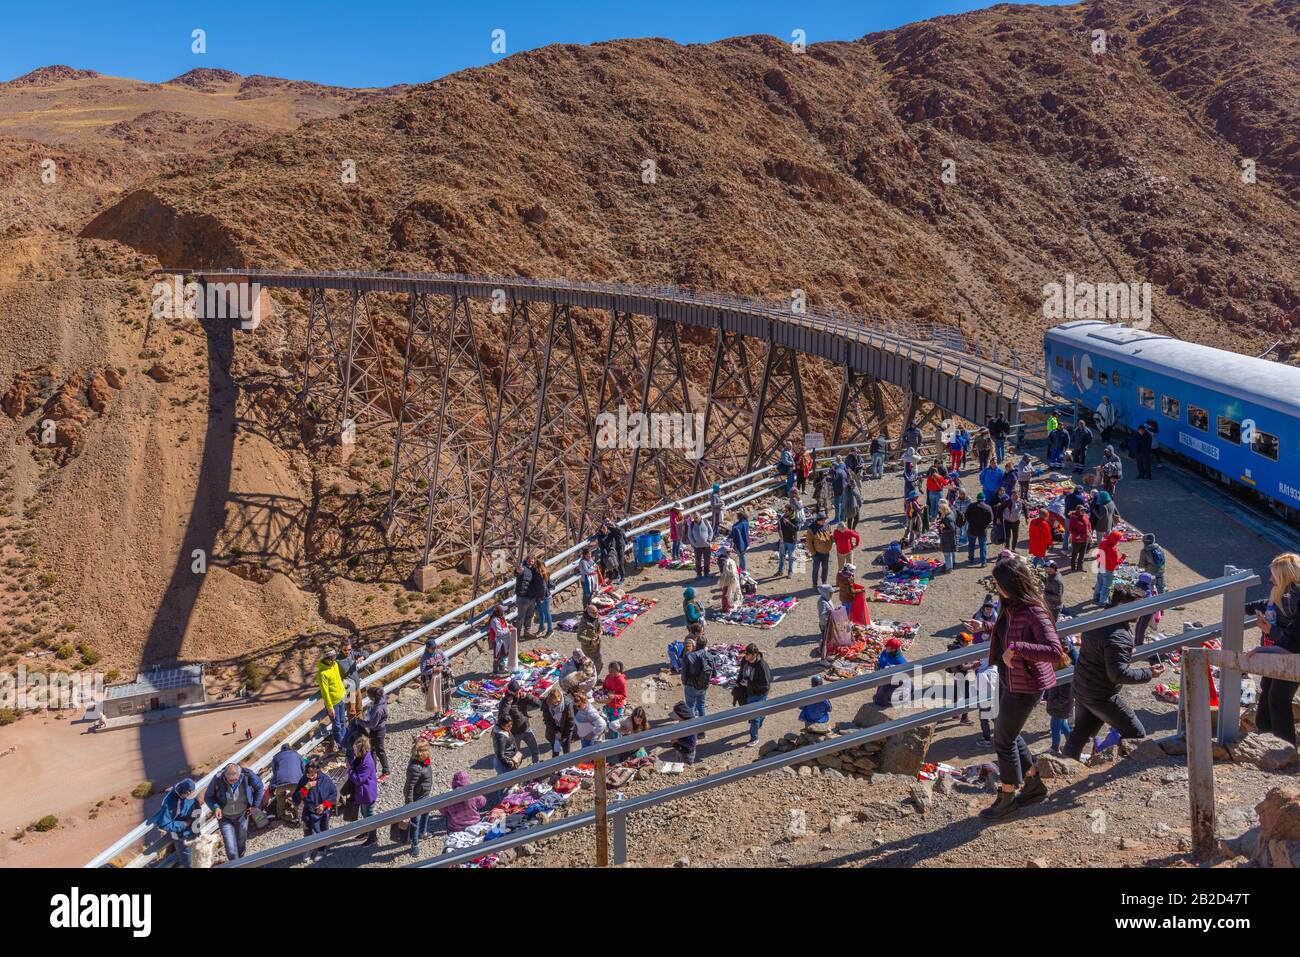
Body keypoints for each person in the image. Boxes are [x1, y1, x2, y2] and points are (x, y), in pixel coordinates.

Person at [967, 556, 1063, 820]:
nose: (995, 588)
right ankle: (1033, 785)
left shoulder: (1034, 611)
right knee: (1008, 733)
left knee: (1004, 739)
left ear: (1010, 584)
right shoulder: (1010, 606)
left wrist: (1018, 649)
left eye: (998, 583)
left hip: (1027, 684)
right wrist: (986, 626)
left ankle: (1007, 797)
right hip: (1011, 678)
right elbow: (1009, 633)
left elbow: (1055, 651)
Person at [1062, 585, 1164, 760]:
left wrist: (1122, 653)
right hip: (1102, 694)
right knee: (1135, 733)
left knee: (1080, 733)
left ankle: (1065, 768)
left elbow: (1102, 652)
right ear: (1121, 606)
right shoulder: (1119, 636)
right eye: (1136, 607)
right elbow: (1118, 674)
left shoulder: (1096, 619)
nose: (1140, 613)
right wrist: (1149, 673)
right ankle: (1119, 769)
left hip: (1082, 686)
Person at [1248, 553, 1300, 745]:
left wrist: (1271, 631)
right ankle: (1265, 733)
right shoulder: (1285, 595)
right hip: (1284, 650)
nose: (1270, 579)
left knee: (1278, 697)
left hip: (1289, 653)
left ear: (1285, 577)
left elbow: (1295, 640)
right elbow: (1265, 605)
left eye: (1274, 576)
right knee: (1268, 688)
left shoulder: (1293, 598)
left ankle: (1284, 744)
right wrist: (1239, 605)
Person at [204, 762, 263, 862]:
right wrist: (216, 808)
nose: (232, 782)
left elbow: (259, 787)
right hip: (225, 818)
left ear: (239, 775)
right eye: (230, 780)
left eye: (235, 780)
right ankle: (235, 863)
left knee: (241, 842)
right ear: (225, 775)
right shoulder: (218, 779)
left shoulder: (247, 775)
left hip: (242, 816)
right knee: (231, 849)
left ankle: (240, 862)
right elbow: (208, 796)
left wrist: (254, 806)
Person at [294, 759, 339, 864]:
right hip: (308, 810)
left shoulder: (325, 780)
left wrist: (324, 805)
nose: (310, 778)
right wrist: (306, 787)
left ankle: (321, 850)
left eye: (312, 776)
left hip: (322, 811)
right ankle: (309, 848)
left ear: (317, 772)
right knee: (307, 831)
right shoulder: (304, 780)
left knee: (322, 830)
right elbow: (296, 798)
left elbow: (333, 795)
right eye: (308, 775)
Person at [150, 778, 200, 867]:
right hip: (182, 836)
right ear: (185, 793)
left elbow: (195, 803)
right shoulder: (170, 802)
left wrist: (196, 817)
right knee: (189, 862)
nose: (192, 796)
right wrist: (184, 824)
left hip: (194, 829)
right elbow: (164, 824)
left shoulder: (189, 791)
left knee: (197, 854)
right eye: (189, 795)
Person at [497, 679, 542, 763]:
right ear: (509, 691)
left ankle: (537, 764)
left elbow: (538, 704)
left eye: (518, 691)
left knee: (535, 749)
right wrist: (508, 703)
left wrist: (528, 696)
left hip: (526, 728)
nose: (517, 693)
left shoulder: (523, 697)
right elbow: (503, 716)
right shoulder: (505, 701)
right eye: (515, 692)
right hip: (514, 733)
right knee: (516, 755)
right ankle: (518, 772)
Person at [1044, 644, 1079, 753]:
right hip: (1061, 708)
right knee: (1063, 725)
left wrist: (1052, 703)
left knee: (1055, 728)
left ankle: (1055, 748)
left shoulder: (1065, 678)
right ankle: (1072, 744)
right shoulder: (1066, 672)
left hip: (1060, 708)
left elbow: (1064, 697)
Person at [735, 643, 771, 746]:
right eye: (745, 653)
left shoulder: (762, 666)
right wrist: (739, 683)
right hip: (748, 693)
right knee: (755, 715)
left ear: (754, 654)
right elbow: (741, 672)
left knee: (754, 717)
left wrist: (749, 684)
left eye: (748, 654)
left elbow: (765, 685)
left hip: (759, 694)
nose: (745, 656)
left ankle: (754, 738)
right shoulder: (745, 661)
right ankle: (761, 717)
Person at [403, 739, 434, 857]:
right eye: (427, 749)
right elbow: (408, 788)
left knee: (426, 814)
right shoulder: (415, 767)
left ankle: (423, 832)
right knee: (415, 822)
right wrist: (410, 805)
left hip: (425, 795)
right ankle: (415, 844)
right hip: (417, 799)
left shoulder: (425, 761)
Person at [347, 735, 379, 847]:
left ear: (362, 750)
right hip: (362, 793)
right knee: (364, 814)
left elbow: (358, 779)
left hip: (367, 794)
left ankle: (373, 837)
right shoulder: (361, 758)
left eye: (356, 750)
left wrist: (349, 770)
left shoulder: (367, 763)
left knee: (369, 816)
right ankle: (366, 832)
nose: (354, 752)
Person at [316, 649, 348, 748]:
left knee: (343, 721)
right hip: (333, 703)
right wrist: (330, 707)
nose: (334, 660)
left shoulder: (335, 665)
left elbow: (339, 679)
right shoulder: (322, 674)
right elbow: (325, 692)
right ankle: (341, 746)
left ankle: (346, 742)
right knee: (337, 726)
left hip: (341, 698)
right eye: (332, 658)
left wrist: (343, 692)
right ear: (326, 659)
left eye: (334, 657)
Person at [269, 744, 306, 822]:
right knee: (297, 799)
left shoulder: (276, 757)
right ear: (290, 748)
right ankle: (299, 817)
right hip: (295, 781)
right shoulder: (297, 755)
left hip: (280, 782)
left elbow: (274, 771)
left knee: (280, 797)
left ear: (281, 750)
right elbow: (303, 767)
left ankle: (281, 815)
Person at [443, 770, 487, 835]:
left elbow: (443, 811)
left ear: (453, 784)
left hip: (456, 828)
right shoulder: (472, 793)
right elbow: (483, 802)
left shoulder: (449, 797)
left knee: (447, 817)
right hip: (474, 824)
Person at [681, 636, 713, 719]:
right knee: (701, 705)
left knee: (690, 706)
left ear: (696, 644)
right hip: (703, 685)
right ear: (705, 645)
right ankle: (702, 727)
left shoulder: (689, 656)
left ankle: (692, 727)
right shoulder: (709, 656)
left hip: (691, 685)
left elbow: (684, 672)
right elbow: (714, 674)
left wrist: (685, 683)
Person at [540, 684, 576, 755]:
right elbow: (547, 720)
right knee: (555, 751)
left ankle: (567, 765)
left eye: (556, 703)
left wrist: (565, 736)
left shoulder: (567, 704)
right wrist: (556, 731)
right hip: (554, 730)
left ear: (560, 698)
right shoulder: (546, 703)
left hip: (566, 730)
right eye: (552, 703)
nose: (555, 705)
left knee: (567, 753)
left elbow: (570, 722)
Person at [1094, 528, 1125, 606]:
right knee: (1106, 586)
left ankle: (1096, 597)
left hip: (1101, 566)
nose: (1118, 541)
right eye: (1118, 539)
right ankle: (1102, 602)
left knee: (1099, 582)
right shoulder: (1112, 549)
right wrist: (1123, 557)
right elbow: (1114, 563)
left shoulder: (1103, 542)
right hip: (1108, 569)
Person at [419, 638, 449, 714]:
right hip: (431, 680)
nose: (434, 649)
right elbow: (423, 671)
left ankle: (446, 709)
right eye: (432, 648)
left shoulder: (439, 652)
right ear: (427, 648)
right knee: (435, 696)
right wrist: (433, 670)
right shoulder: (424, 658)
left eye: (435, 647)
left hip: (442, 676)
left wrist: (443, 666)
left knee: (445, 693)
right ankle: (437, 713)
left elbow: (446, 660)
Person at [964, 492, 994, 566]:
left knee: (971, 545)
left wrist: (971, 521)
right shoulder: (987, 507)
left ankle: (971, 559)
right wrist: (985, 524)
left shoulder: (971, 506)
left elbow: (966, 515)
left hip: (972, 529)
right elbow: (990, 519)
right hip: (983, 530)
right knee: (982, 546)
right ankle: (983, 562)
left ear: (977, 498)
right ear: (984, 499)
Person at [806, 513, 834, 587]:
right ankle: (814, 584)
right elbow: (809, 542)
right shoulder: (811, 528)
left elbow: (830, 534)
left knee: (825, 568)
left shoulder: (827, 525)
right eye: (823, 520)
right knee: (816, 569)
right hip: (817, 554)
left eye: (825, 519)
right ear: (819, 520)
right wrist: (813, 553)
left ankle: (824, 582)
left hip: (826, 552)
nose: (824, 521)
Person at [489, 603, 516, 674]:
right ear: (499, 612)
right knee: (498, 656)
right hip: (498, 640)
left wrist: (509, 625)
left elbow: (505, 624)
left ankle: (501, 669)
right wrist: (508, 630)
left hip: (504, 640)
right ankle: (495, 671)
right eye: (503, 611)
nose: (504, 612)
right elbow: (499, 633)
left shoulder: (501, 618)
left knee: (503, 654)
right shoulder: (494, 620)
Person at [531, 557, 554, 638]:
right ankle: (541, 628)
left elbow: (543, 587)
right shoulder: (542, 572)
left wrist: (542, 598)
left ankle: (550, 630)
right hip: (540, 596)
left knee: (546, 614)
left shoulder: (540, 574)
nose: (533, 565)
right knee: (541, 614)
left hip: (543, 597)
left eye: (534, 564)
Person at [513, 561, 536, 639]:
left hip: (532, 597)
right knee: (520, 618)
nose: (532, 562)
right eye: (531, 560)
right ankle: (517, 636)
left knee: (529, 616)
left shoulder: (535, 569)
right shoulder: (522, 569)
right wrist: (517, 570)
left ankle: (527, 632)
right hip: (523, 598)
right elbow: (517, 573)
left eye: (533, 560)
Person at [603, 660, 627, 733]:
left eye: (612, 671)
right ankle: (612, 731)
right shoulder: (608, 677)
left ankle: (616, 739)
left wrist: (614, 696)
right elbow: (604, 687)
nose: (610, 673)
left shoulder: (621, 681)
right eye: (609, 671)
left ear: (617, 671)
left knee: (616, 724)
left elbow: (624, 695)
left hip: (617, 707)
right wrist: (604, 692)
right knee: (610, 719)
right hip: (608, 704)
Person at [1067, 506, 1092, 573]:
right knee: (1074, 554)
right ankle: (1073, 567)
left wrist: (1090, 532)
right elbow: (1071, 529)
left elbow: (1089, 525)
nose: (1083, 511)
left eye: (1084, 509)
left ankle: (1080, 567)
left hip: (1085, 539)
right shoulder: (1073, 518)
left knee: (1082, 554)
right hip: (1076, 540)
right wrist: (1077, 535)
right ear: (1078, 510)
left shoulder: (1085, 516)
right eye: (1082, 510)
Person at [776, 506, 799, 578]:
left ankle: (790, 571)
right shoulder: (783, 518)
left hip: (791, 541)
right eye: (784, 511)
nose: (785, 512)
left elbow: (796, 529)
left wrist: (789, 523)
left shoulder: (795, 519)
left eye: (786, 511)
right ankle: (780, 571)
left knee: (791, 557)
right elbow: (779, 527)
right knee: (781, 556)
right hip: (783, 540)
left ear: (790, 511)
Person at [688, 513, 713, 578]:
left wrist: (709, 540)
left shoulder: (705, 522)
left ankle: (706, 572)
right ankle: (699, 574)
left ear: (700, 516)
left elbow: (710, 531)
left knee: (707, 560)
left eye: (697, 516)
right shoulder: (692, 524)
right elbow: (690, 535)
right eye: (695, 517)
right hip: (697, 546)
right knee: (698, 560)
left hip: (706, 545)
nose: (696, 518)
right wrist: (693, 543)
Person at [937, 501, 957, 572]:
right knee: (950, 553)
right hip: (949, 538)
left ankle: (949, 568)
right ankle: (951, 566)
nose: (939, 510)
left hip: (948, 538)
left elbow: (952, 529)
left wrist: (943, 528)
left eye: (940, 509)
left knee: (947, 554)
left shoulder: (948, 517)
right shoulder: (950, 513)